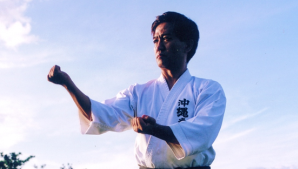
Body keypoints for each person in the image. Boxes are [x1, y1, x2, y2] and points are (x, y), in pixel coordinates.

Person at [47, 11, 226, 169]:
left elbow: (202, 134)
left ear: (187, 45)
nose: (159, 46)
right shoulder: (138, 92)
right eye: (155, 40)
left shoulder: (208, 89)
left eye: (166, 38)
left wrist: (156, 130)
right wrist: (68, 84)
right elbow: (101, 115)